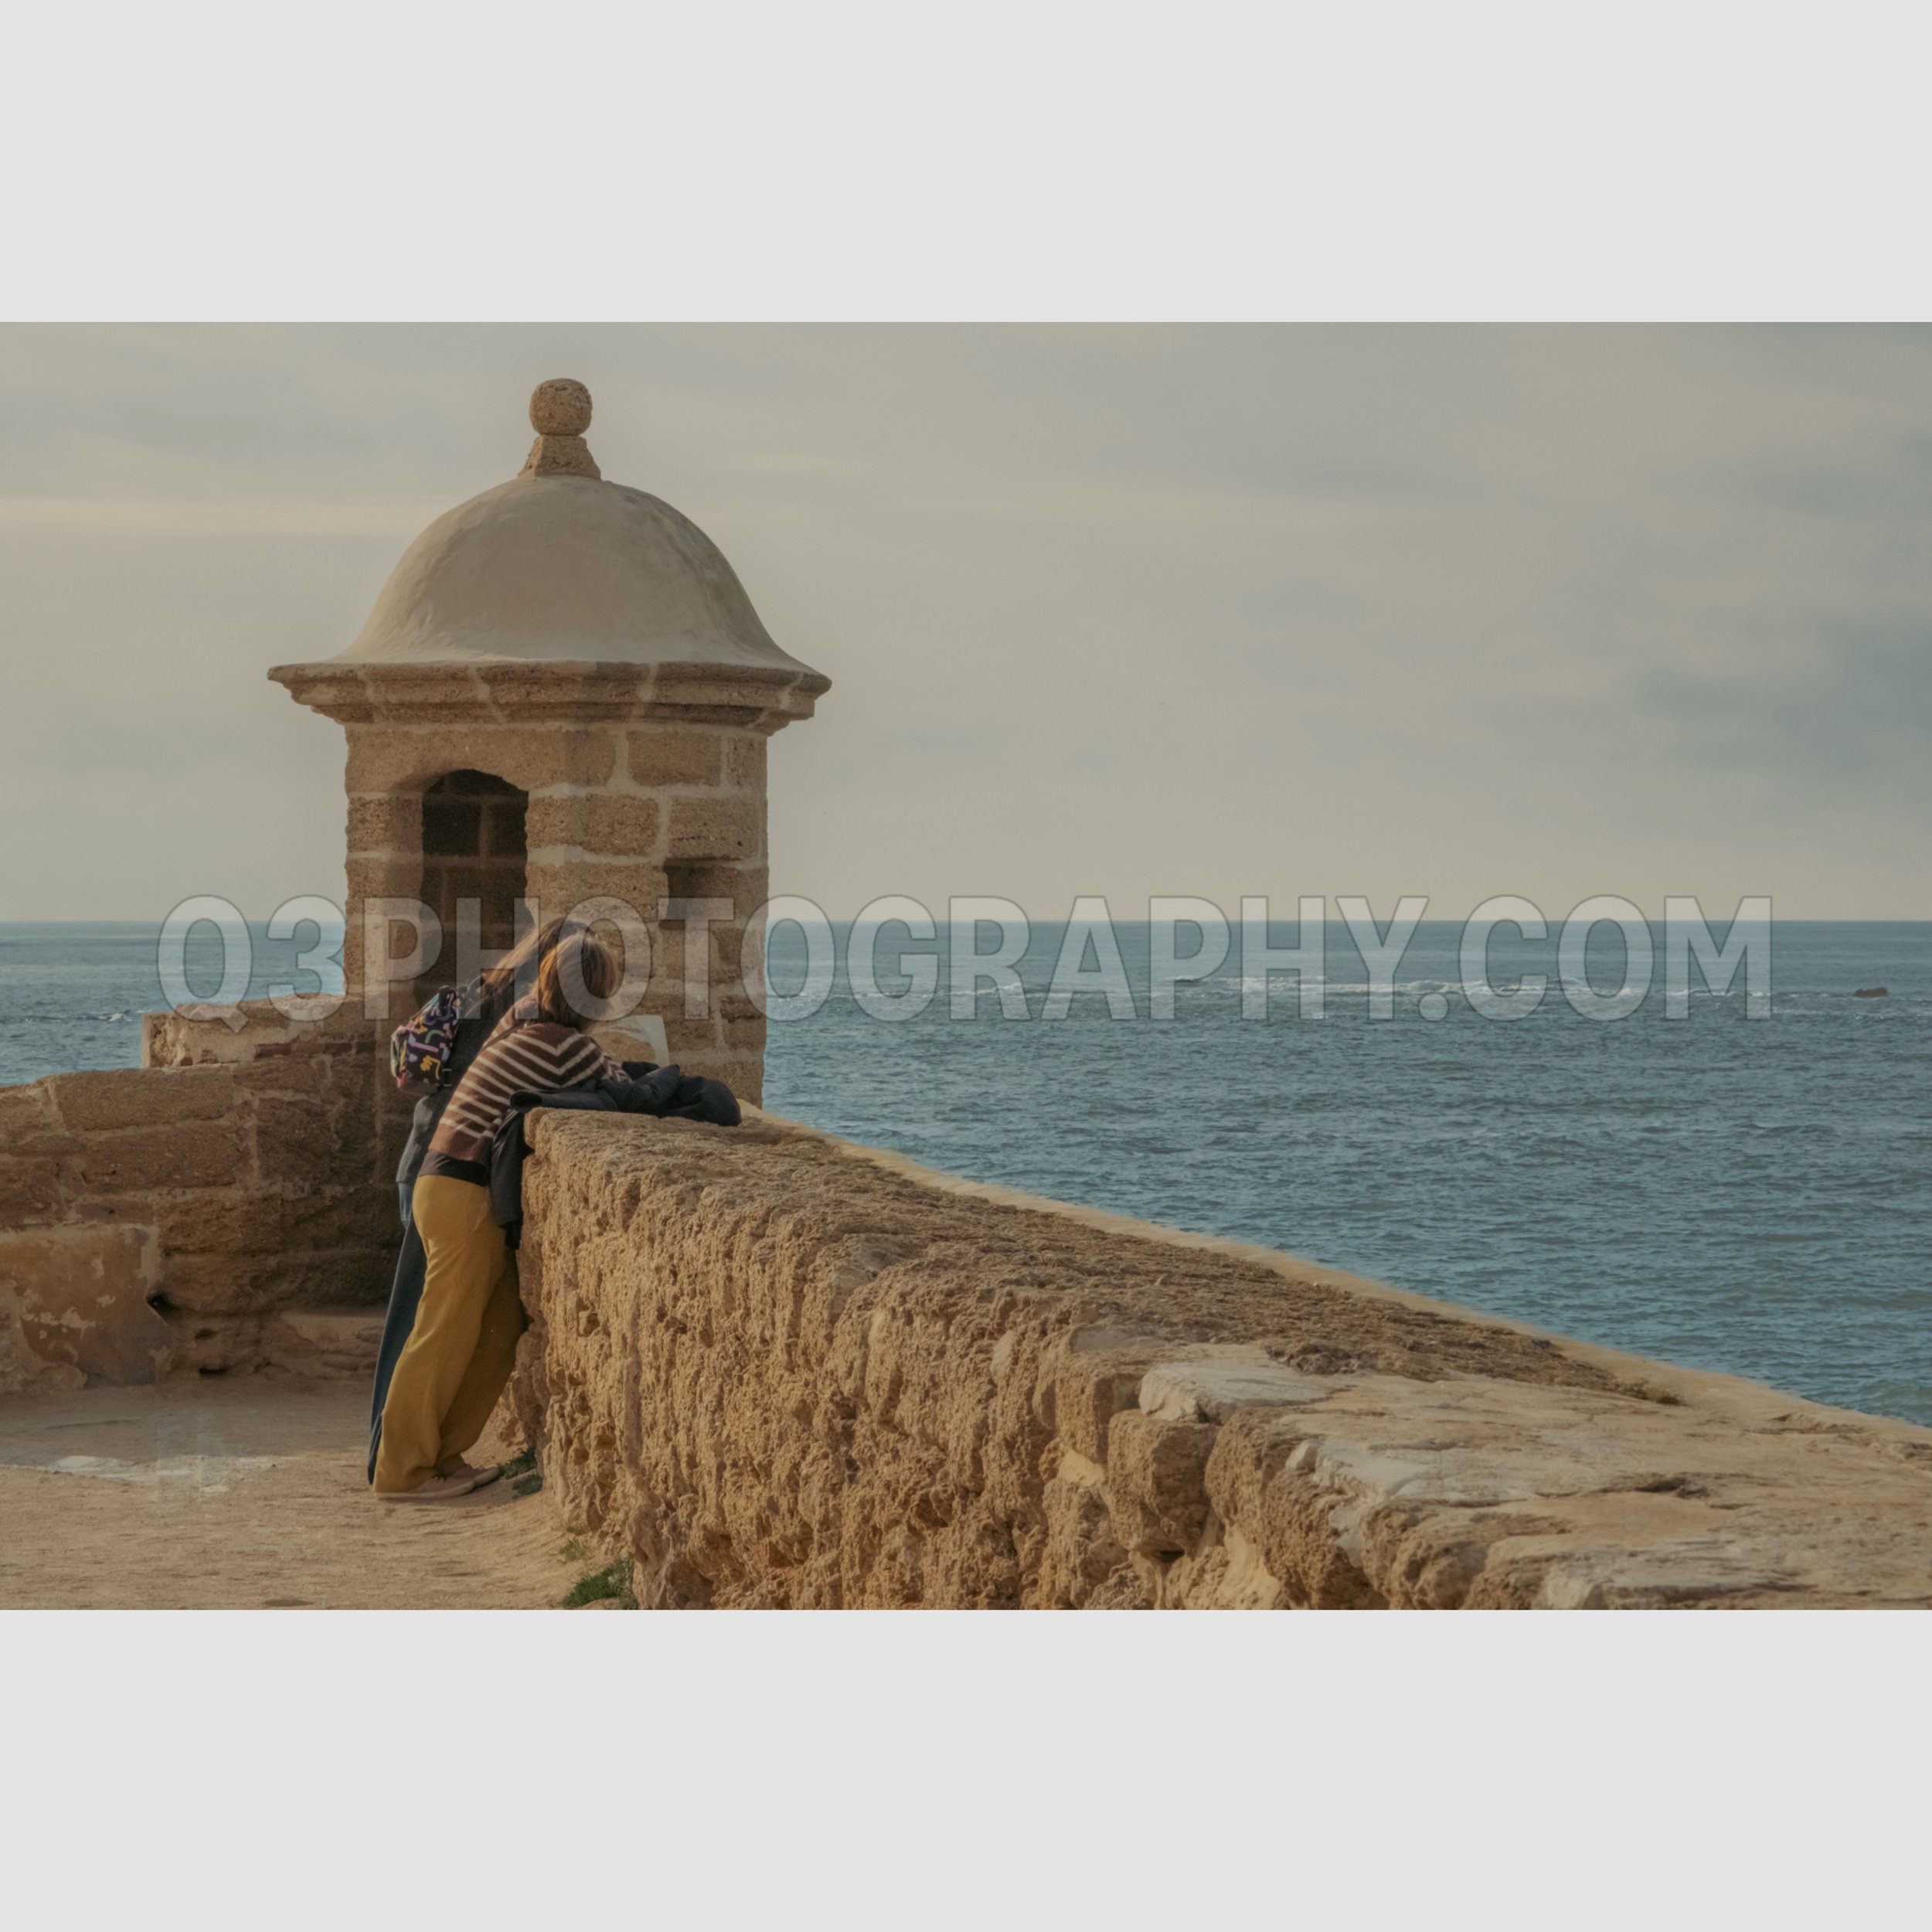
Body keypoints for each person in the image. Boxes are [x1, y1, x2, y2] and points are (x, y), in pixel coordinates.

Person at [372, 929, 624, 1501]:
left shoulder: (512, 1017)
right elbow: (628, 1091)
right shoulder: (564, 1044)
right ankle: (402, 1472)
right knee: (441, 1333)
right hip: (464, 1192)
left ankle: (441, 1454)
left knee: (500, 1321)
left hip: (442, 1179)